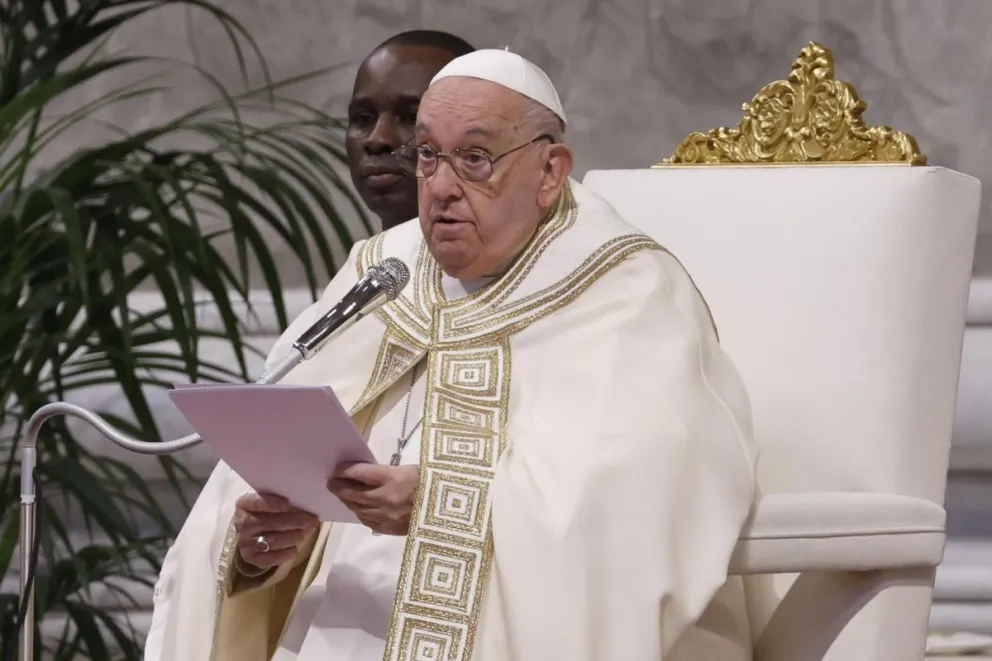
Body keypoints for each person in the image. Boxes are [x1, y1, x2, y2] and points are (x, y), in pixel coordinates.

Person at [145, 49, 759, 661]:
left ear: (550, 171)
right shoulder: (385, 270)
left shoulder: (623, 292)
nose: (440, 188)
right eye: (429, 156)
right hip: (329, 627)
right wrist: (266, 549)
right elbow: (256, 493)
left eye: (474, 159)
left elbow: (638, 503)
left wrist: (438, 505)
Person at [346, 30, 474, 231]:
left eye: (413, 117)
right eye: (363, 118)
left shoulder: (532, 261)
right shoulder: (359, 262)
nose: (377, 140)